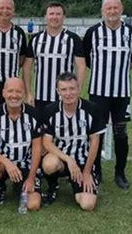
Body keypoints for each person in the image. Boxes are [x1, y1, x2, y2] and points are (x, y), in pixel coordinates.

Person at [83, 0, 132, 190]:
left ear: (121, 9)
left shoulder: (131, 33)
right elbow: (87, 59)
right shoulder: (93, 33)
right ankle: (96, 171)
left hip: (122, 92)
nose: (112, 11)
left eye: (116, 7)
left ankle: (120, 173)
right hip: (98, 92)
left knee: (121, 134)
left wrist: (120, 70)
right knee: (96, 133)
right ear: (102, 10)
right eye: (108, 8)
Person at [42, 72, 106, 211]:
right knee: (49, 164)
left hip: (82, 161)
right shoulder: (50, 110)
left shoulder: (92, 109)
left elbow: (95, 142)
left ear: (78, 89)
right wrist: (69, 160)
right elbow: (47, 143)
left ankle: (80, 183)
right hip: (61, 159)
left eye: (72, 88)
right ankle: (53, 187)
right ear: (58, 91)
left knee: (87, 205)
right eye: (64, 89)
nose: (68, 93)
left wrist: (87, 171)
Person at [0, 78, 43, 211]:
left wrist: (31, 177)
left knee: (33, 205)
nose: (14, 95)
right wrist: (7, 163)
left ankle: (20, 185)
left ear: (23, 93)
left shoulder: (33, 114)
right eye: (10, 91)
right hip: (3, 164)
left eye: (18, 91)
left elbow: (37, 148)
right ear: (3, 93)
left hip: (25, 164)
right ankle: (0, 186)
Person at [23, 1, 86, 111]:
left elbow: (81, 66)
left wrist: (77, 91)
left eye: (58, 14)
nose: (54, 17)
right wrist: (28, 93)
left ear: (64, 17)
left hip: (65, 97)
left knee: (63, 127)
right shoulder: (35, 39)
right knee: (42, 128)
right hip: (40, 97)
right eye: (51, 14)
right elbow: (27, 67)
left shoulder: (73, 39)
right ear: (45, 17)